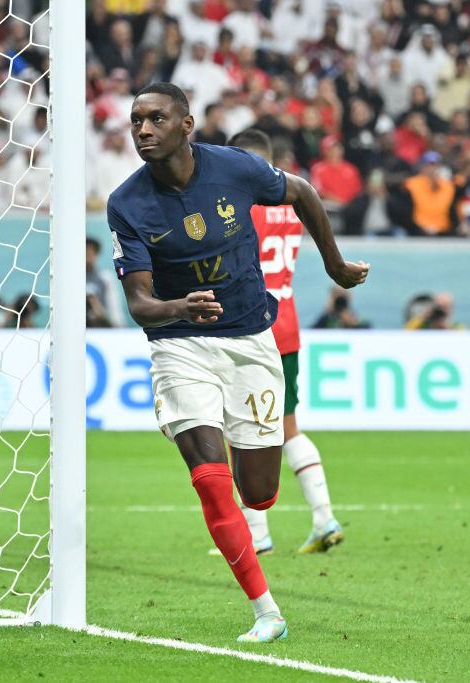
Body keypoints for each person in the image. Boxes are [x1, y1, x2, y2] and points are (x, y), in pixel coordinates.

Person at [107, 83, 368, 642]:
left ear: (186, 124)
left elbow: (300, 192)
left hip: (251, 338)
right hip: (178, 343)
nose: (143, 130)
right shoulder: (126, 203)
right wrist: (178, 307)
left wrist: (337, 265)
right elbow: (139, 304)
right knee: (209, 480)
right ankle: (266, 612)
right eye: (135, 121)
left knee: (259, 493)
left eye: (155, 119)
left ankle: (244, 468)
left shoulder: (235, 169)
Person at [225, 128, 347, 558]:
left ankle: (256, 534)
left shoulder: (241, 202)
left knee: (239, 426)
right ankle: (323, 517)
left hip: (249, 321)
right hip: (287, 320)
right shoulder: (293, 200)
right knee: (288, 426)